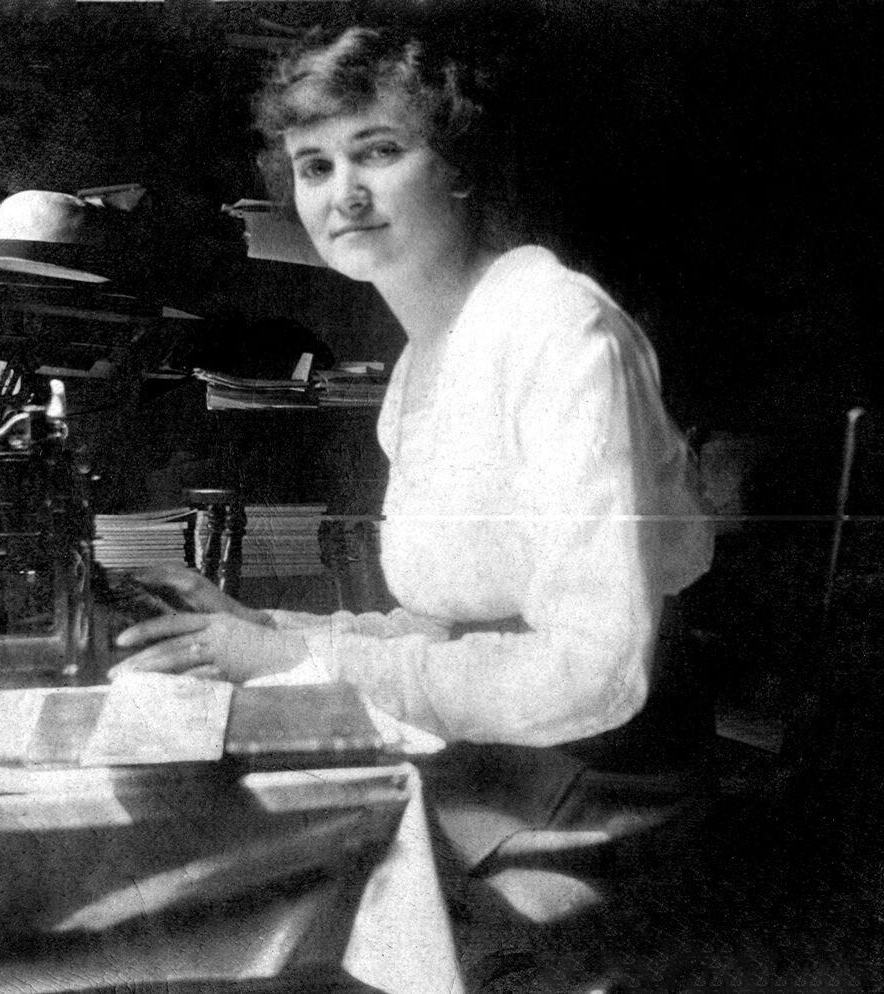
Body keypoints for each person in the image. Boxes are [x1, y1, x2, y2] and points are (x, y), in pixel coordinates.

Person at [109, 24, 715, 990]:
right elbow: (444, 629)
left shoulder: (559, 327)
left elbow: (596, 672)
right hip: (486, 767)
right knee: (177, 894)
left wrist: (296, 664)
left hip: (595, 795)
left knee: (217, 924)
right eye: (315, 166)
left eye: (379, 152)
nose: (343, 194)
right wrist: (270, 630)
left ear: (461, 168)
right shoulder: (424, 363)